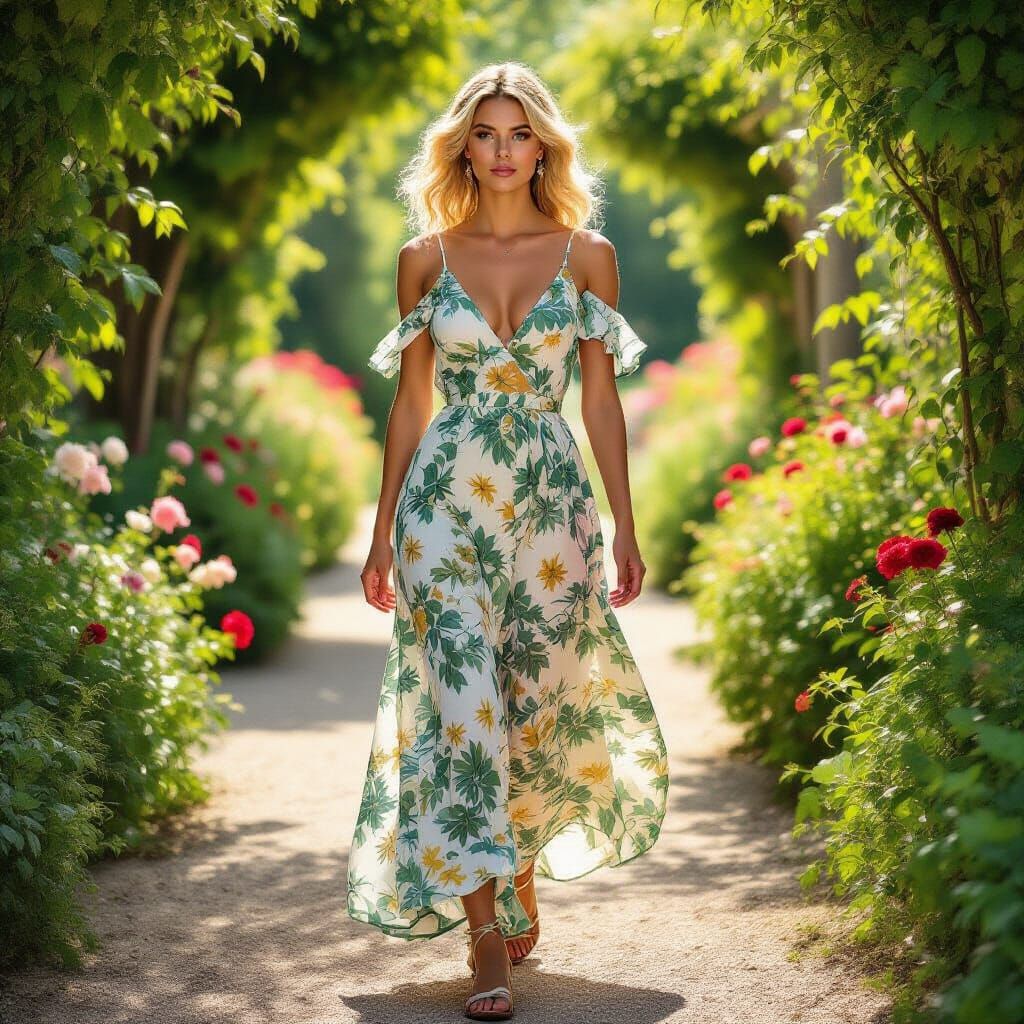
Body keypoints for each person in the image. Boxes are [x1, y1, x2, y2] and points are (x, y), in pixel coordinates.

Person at [347, 60, 669, 1021]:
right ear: (462, 144)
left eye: (518, 134)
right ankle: (483, 934)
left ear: (543, 147)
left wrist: (623, 523)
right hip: (444, 507)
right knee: (460, 709)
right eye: (483, 133)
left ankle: (517, 864)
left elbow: (602, 400)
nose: (500, 151)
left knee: (538, 698)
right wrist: (378, 538)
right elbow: (409, 406)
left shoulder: (588, 255)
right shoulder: (422, 259)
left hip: (550, 508)